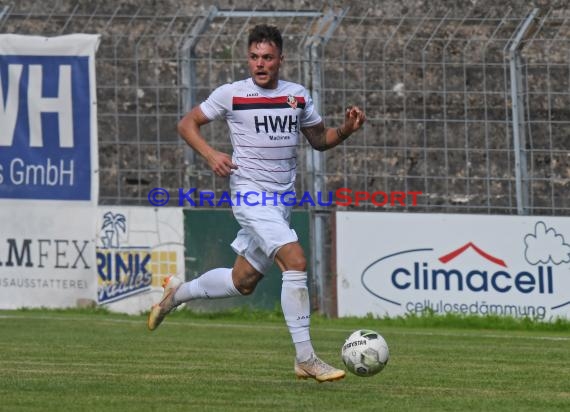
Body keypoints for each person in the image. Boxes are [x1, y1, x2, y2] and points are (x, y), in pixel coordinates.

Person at [147, 24, 365, 383]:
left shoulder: (296, 96)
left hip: (281, 202)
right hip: (249, 195)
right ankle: (306, 358)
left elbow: (319, 140)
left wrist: (344, 130)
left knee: (243, 280)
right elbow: (187, 124)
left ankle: (176, 294)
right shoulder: (232, 94)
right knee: (295, 259)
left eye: (267, 57)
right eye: (254, 57)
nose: (259, 64)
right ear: (248, 58)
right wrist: (210, 154)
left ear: (280, 59)